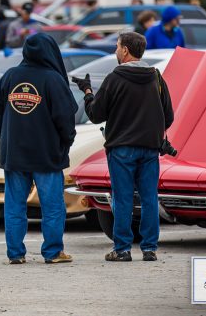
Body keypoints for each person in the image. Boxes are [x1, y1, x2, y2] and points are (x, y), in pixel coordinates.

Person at [74, 31, 173, 262]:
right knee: (150, 198)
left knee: (122, 198)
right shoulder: (156, 77)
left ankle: (123, 249)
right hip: (150, 148)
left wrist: (88, 92)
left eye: (117, 47)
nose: (115, 51)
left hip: (121, 149)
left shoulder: (114, 78)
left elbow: (96, 114)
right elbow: (168, 116)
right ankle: (149, 249)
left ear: (126, 50)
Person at [0, 33, 77, 265]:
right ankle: (53, 252)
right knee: (52, 206)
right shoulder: (53, 80)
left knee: (15, 206)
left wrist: (9, 138)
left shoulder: (10, 76)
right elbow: (65, 118)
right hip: (46, 155)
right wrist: (66, 141)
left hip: (14, 154)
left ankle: (15, 254)